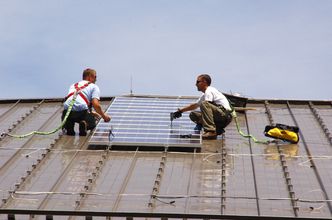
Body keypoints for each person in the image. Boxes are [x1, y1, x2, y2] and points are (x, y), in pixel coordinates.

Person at [172, 74, 233, 139]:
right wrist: (180, 111)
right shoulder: (204, 95)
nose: (196, 84)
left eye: (198, 82)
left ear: (204, 82)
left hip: (224, 116)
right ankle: (217, 129)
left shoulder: (209, 90)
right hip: (219, 117)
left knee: (204, 104)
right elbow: (195, 105)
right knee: (193, 114)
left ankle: (211, 131)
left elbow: (206, 104)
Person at [62, 68, 111, 136]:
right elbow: (96, 105)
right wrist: (104, 116)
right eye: (95, 76)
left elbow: (74, 103)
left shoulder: (73, 85)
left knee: (69, 123)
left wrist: (94, 113)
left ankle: (68, 126)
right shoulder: (94, 86)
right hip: (81, 112)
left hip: (67, 111)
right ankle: (85, 124)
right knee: (92, 123)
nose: (96, 79)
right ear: (89, 76)